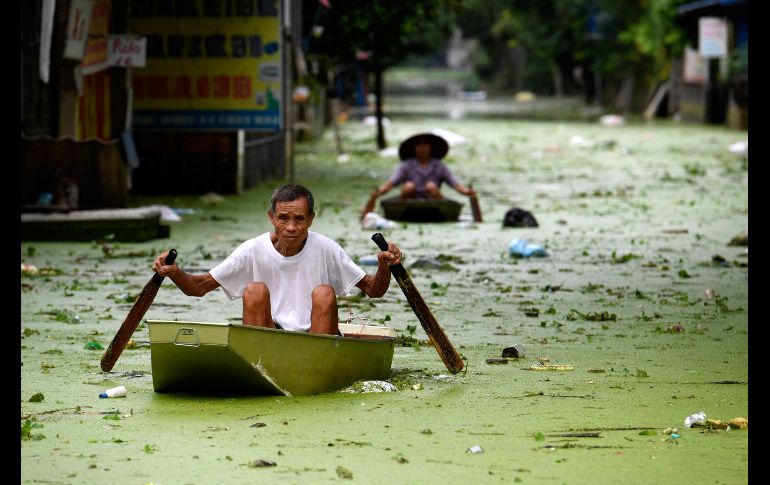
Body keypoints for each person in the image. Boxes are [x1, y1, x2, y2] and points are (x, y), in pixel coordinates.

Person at [152, 184, 402, 336]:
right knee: (254, 291)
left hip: (318, 339)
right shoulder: (251, 249)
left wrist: (384, 265)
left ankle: (318, 361)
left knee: (325, 293)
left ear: (311, 219)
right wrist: (174, 272)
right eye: (283, 218)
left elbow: (374, 290)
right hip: (270, 337)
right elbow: (198, 287)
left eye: (299, 219)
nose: (291, 227)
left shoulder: (327, 248)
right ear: (271, 217)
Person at [362, 132, 476, 217]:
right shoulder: (406, 165)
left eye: (425, 144)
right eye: (419, 144)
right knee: (409, 186)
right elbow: (391, 183)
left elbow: (455, 184)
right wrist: (378, 192)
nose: (422, 147)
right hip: (410, 196)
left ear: (430, 147)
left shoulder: (439, 165)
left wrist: (467, 192)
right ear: (414, 148)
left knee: (431, 186)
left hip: (433, 197)